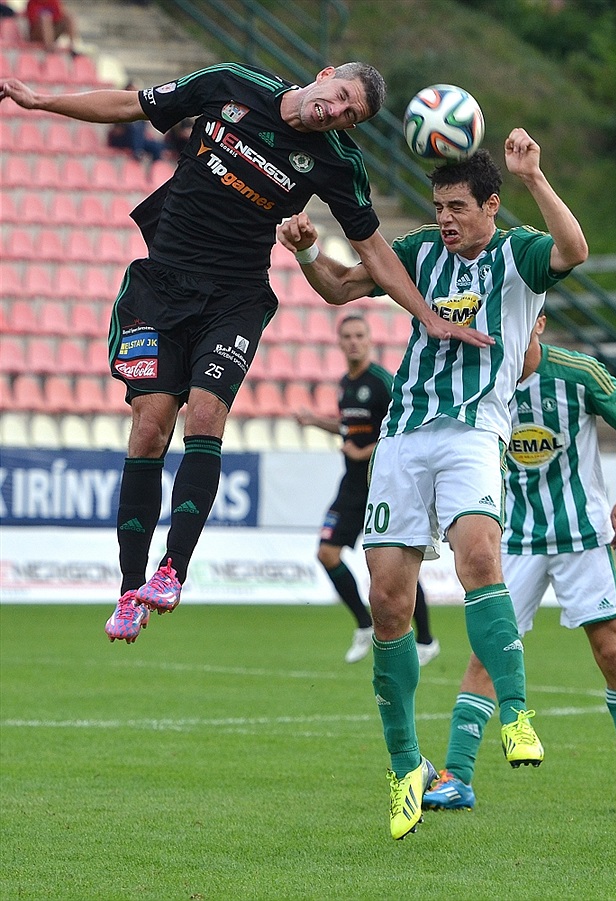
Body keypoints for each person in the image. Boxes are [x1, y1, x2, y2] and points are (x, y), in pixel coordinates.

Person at [1, 62, 489, 647]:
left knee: (205, 416)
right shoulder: (231, 84)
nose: (335, 112)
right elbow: (131, 104)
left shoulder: (336, 161)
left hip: (234, 297)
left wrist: (428, 316)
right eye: (338, 98)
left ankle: (172, 571)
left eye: (349, 114)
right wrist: (42, 102)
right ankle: (130, 590)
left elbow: (375, 250)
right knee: (150, 428)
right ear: (324, 76)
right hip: (161, 287)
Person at [277, 128, 589, 839]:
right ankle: (405, 770)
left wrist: (536, 177)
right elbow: (339, 287)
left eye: (456, 206)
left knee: (481, 558)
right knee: (389, 604)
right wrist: (304, 251)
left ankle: (515, 712)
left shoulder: (517, 254)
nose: (444, 217)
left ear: (490, 206)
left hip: (475, 430)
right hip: (403, 438)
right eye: (438, 205)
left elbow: (574, 250)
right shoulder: (419, 250)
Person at [423, 309, 616, 816]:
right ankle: (456, 777)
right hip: (516, 539)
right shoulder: (485, 380)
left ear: (540, 323)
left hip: (581, 535)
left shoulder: (578, 373)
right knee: (487, 651)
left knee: (611, 651)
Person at [295, 312, 440, 666]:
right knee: (326, 553)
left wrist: (364, 451)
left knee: (394, 566)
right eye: (348, 337)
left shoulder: (382, 383)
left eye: (360, 335)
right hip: (351, 485)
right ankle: (363, 625)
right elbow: (350, 428)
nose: (354, 342)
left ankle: (425, 640)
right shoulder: (346, 383)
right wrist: (316, 422)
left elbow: (403, 431)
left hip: (382, 486)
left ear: (369, 339)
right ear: (340, 342)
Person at [107, 82, 165, 163]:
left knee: (156, 145)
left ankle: (156, 168)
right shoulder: (119, 105)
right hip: (121, 138)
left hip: (136, 140)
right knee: (135, 128)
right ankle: (137, 152)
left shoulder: (137, 107)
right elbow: (117, 130)